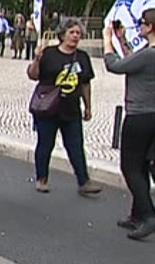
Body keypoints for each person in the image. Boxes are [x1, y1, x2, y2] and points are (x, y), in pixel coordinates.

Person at [27, 17, 102, 196]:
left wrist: (88, 106)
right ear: (62, 34)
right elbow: (33, 75)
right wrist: (37, 60)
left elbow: (85, 83)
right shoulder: (49, 53)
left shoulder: (82, 57)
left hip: (71, 108)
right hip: (48, 108)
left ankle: (84, 181)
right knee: (45, 144)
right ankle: (42, 178)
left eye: (78, 33)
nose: (75, 36)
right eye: (71, 32)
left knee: (75, 145)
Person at [102, 12, 155, 239]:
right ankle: (137, 215)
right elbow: (132, 62)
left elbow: (116, 65)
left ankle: (148, 215)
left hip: (139, 115)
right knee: (143, 163)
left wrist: (107, 41)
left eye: (142, 23)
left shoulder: (150, 54)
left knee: (130, 167)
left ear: (151, 27)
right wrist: (122, 40)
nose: (139, 27)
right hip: (151, 115)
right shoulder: (147, 54)